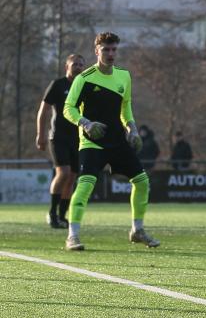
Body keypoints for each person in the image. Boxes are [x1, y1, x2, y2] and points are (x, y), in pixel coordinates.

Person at [62, 32, 159, 250]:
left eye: (114, 49)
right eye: (106, 49)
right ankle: (73, 236)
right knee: (86, 185)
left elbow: (126, 108)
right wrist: (86, 123)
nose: (111, 53)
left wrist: (132, 130)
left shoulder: (124, 76)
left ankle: (137, 230)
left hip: (117, 141)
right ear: (97, 51)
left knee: (142, 181)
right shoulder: (84, 78)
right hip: (91, 142)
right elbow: (68, 108)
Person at [36, 53, 86, 229]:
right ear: (67, 66)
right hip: (58, 137)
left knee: (72, 177)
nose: (78, 67)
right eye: (75, 64)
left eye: (81, 65)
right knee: (63, 173)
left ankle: (62, 216)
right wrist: (40, 135)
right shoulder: (58, 85)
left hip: (78, 138)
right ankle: (51, 213)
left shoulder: (85, 87)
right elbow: (44, 110)